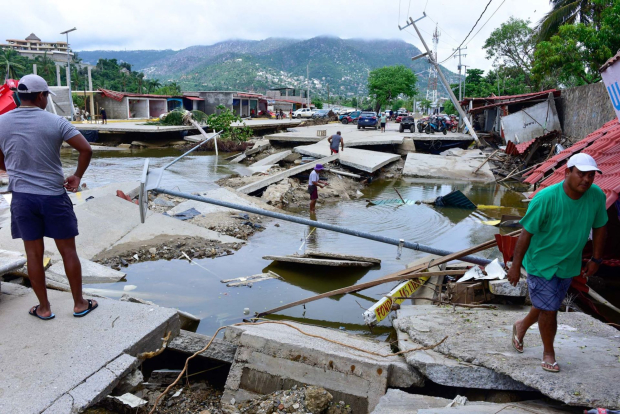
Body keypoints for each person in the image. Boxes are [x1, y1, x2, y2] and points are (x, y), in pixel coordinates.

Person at [0, 74, 96, 320]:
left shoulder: (2, 122)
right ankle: (79, 304)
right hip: (53, 196)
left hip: (22, 197)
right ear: (42, 96)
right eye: (46, 96)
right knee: (68, 252)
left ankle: (43, 308)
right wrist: (76, 176)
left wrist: (10, 168)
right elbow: (86, 149)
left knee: (33, 255)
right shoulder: (56, 121)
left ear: (20, 96)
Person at [508, 153, 607, 373]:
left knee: (548, 303)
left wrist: (596, 258)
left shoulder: (597, 196)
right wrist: (515, 266)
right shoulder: (545, 198)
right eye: (581, 174)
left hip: (569, 262)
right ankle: (548, 353)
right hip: (541, 262)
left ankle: (521, 325)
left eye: (591, 175)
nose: (587, 180)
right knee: (550, 309)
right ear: (567, 172)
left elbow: (600, 227)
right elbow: (526, 234)